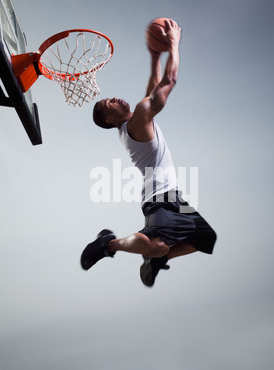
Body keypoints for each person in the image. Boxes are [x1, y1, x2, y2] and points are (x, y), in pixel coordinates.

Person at [81, 19, 217, 287]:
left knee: (205, 238)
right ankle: (109, 244)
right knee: (152, 243)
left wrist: (155, 55)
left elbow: (155, 82)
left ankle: (156, 259)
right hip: (160, 198)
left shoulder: (138, 120)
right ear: (110, 119)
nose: (115, 98)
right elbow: (169, 80)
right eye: (109, 102)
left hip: (174, 197)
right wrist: (174, 44)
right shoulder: (140, 117)